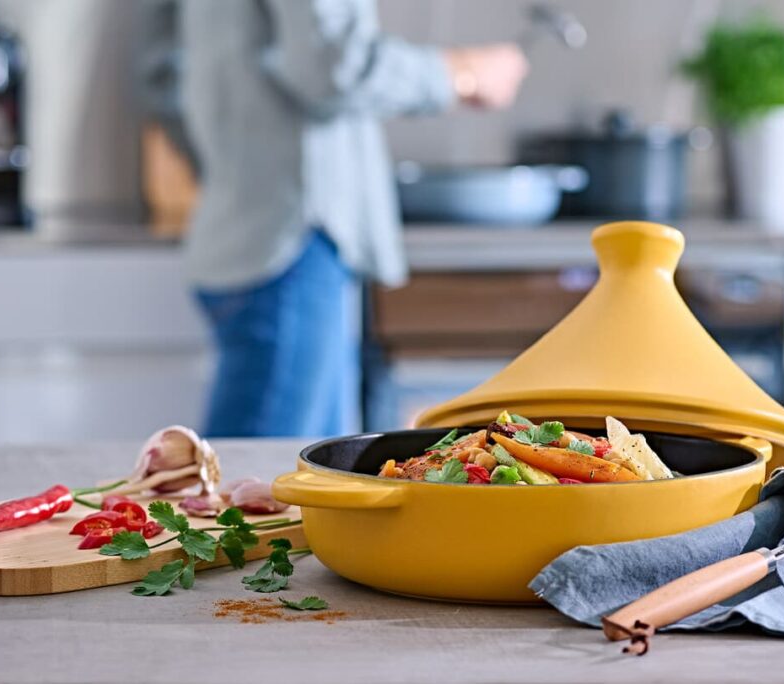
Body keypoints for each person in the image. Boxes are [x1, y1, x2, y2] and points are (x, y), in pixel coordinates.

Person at [177, 0, 528, 438]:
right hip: (296, 237)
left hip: (247, 227)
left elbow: (161, 70)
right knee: (260, 490)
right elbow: (333, 65)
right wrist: (463, 72)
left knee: (279, 482)